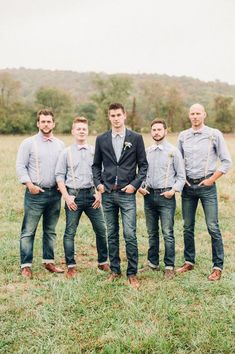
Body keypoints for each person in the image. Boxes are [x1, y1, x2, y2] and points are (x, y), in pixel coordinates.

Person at [92, 103, 148, 289]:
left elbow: (143, 166)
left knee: (130, 233)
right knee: (112, 233)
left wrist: (134, 185)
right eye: (112, 115)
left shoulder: (136, 138)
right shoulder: (101, 139)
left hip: (127, 194)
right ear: (109, 117)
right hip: (107, 193)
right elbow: (95, 165)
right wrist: (99, 184)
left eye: (118, 115)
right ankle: (115, 270)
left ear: (124, 116)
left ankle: (132, 273)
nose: (116, 118)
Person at [176, 103, 232, 281]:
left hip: (207, 186)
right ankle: (189, 261)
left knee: (212, 226)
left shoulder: (214, 134)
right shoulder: (183, 136)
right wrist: (181, 177)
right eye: (192, 113)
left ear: (204, 115)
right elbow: (177, 160)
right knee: (187, 226)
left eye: (198, 113)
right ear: (189, 115)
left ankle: (217, 266)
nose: (195, 116)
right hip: (188, 187)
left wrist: (211, 180)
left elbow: (226, 162)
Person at [55, 117, 109, 278]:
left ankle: (103, 261)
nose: (81, 131)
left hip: (93, 195)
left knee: (101, 229)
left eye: (84, 129)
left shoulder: (95, 151)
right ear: (73, 131)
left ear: (87, 131)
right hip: (74, 196)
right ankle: (71, 265)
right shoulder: (66, 153)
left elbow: (102, 174)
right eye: (78, 129)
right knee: (70, 231)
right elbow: (59, 176)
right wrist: (66, 197)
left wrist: (99, 194)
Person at [16, 109, 65, 278]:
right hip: (35, 193)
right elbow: (21, 166)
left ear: (53, 123)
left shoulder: (59, 144)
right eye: (43, 121)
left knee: (50, 230)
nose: (46, 124)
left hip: (55, 194)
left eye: (49, 121)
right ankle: (26, 265)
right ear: (38, 123)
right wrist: (29, 184)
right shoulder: (28, 143)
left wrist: (62, 186)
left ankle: (48, 261)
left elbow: (62, 168)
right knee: (29, 230)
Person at [139, 119, 185, 279]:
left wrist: (173, 191)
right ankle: (152, 263)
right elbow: (142, 173)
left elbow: (181, 176)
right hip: (149, 196)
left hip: (166, 196)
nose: (156, 132)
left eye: (159, 129)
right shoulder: (147, 151)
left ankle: (169, 266)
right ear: (151, 132)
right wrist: (141, 187)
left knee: (167, 232)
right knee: (152, 232)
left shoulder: (173, 151)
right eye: (154, 130)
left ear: (166, 131)